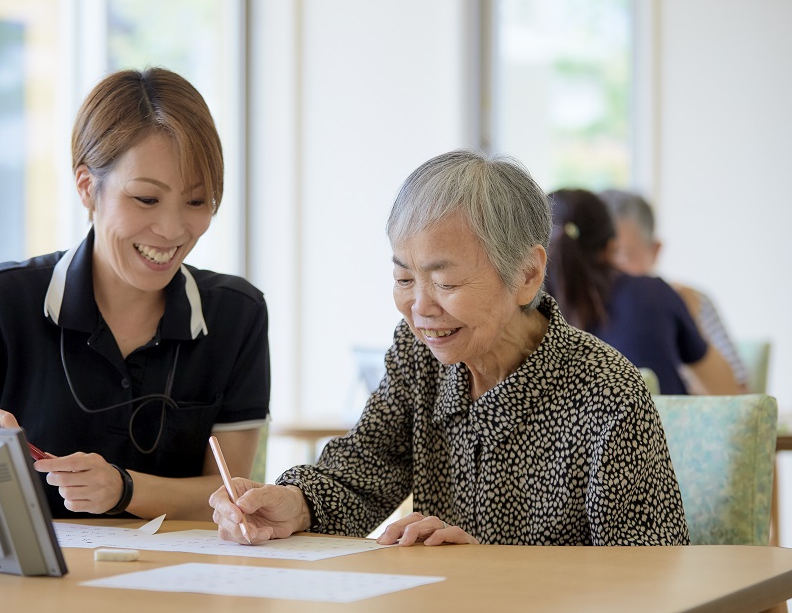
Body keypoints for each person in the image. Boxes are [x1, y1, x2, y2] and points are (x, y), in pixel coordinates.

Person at [209, 150, 690, 547]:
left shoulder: (605, 391)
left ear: (526, 275)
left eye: (445, 281)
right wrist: (294, 502)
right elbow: (364, 470)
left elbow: (649, 569)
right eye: (402, 278)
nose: (419, 307)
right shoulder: (421, 357)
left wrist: (490, 567)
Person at [0, 67, 270, 520]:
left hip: (175, 585)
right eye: (146, 200)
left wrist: (125, 489)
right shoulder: (2, 300)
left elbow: (229, 493)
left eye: (196, 201)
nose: (173, 230)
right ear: (87, 187)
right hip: (19, 586)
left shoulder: (238, 314)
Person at [546, 188, 740, 396]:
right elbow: (731, 397)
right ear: (612, 248)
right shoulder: (656, 294)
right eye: (621, 254)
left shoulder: (526, 311)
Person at [600, 189, 749, 391]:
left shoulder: (688, 300)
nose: (613, 273)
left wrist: (691, 328)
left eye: (623, 256)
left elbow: (740, 396)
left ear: (654, 251)